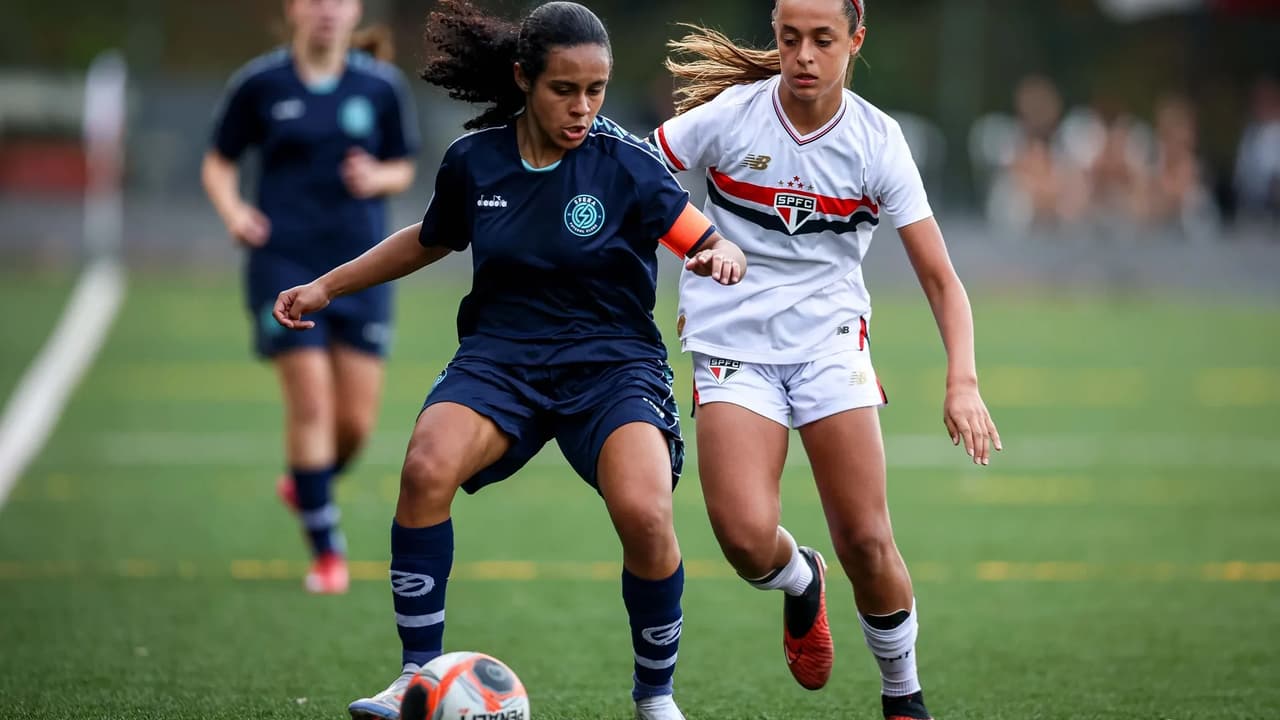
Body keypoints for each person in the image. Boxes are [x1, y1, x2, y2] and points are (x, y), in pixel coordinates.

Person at [272, 2, 745, 718]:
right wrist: (326, 287)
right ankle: (416, 677)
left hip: (612, 367)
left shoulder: (626, 163)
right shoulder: (476, 161)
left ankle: (655, 700)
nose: (583, 107)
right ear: (524, 79)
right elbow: (429, 239)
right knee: (425, 468)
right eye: (565, 89)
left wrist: (720, 252)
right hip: (502, 360)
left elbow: (698, 236)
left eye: (596, 90)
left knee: (646, 513)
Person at [651, 1, 1000, 718]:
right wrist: (695, 240)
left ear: (855, 40)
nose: (804, 56)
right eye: (789, 39)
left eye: (822, 40)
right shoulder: (731, 117)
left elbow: (942, 279)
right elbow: (633, 175)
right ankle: (801, 579)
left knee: (867, 541)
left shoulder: (877, 141)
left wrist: (962, 380)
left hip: (828, 344)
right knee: (746, 541)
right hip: (731, 343)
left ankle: (903, 696)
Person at [201, 0, 419, 594]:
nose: (327, 11)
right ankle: (327, 552)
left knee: (355, 424)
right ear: (293, 9)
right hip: (283, 265)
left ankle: (307, 483)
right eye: (316, 0)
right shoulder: (260, 84)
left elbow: (403, 166)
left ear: (355, 12)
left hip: (360, 269)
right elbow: (219, 163)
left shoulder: (381, 86)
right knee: (313, 407)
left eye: (339, 1)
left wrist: (376, 177)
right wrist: (235, 212)